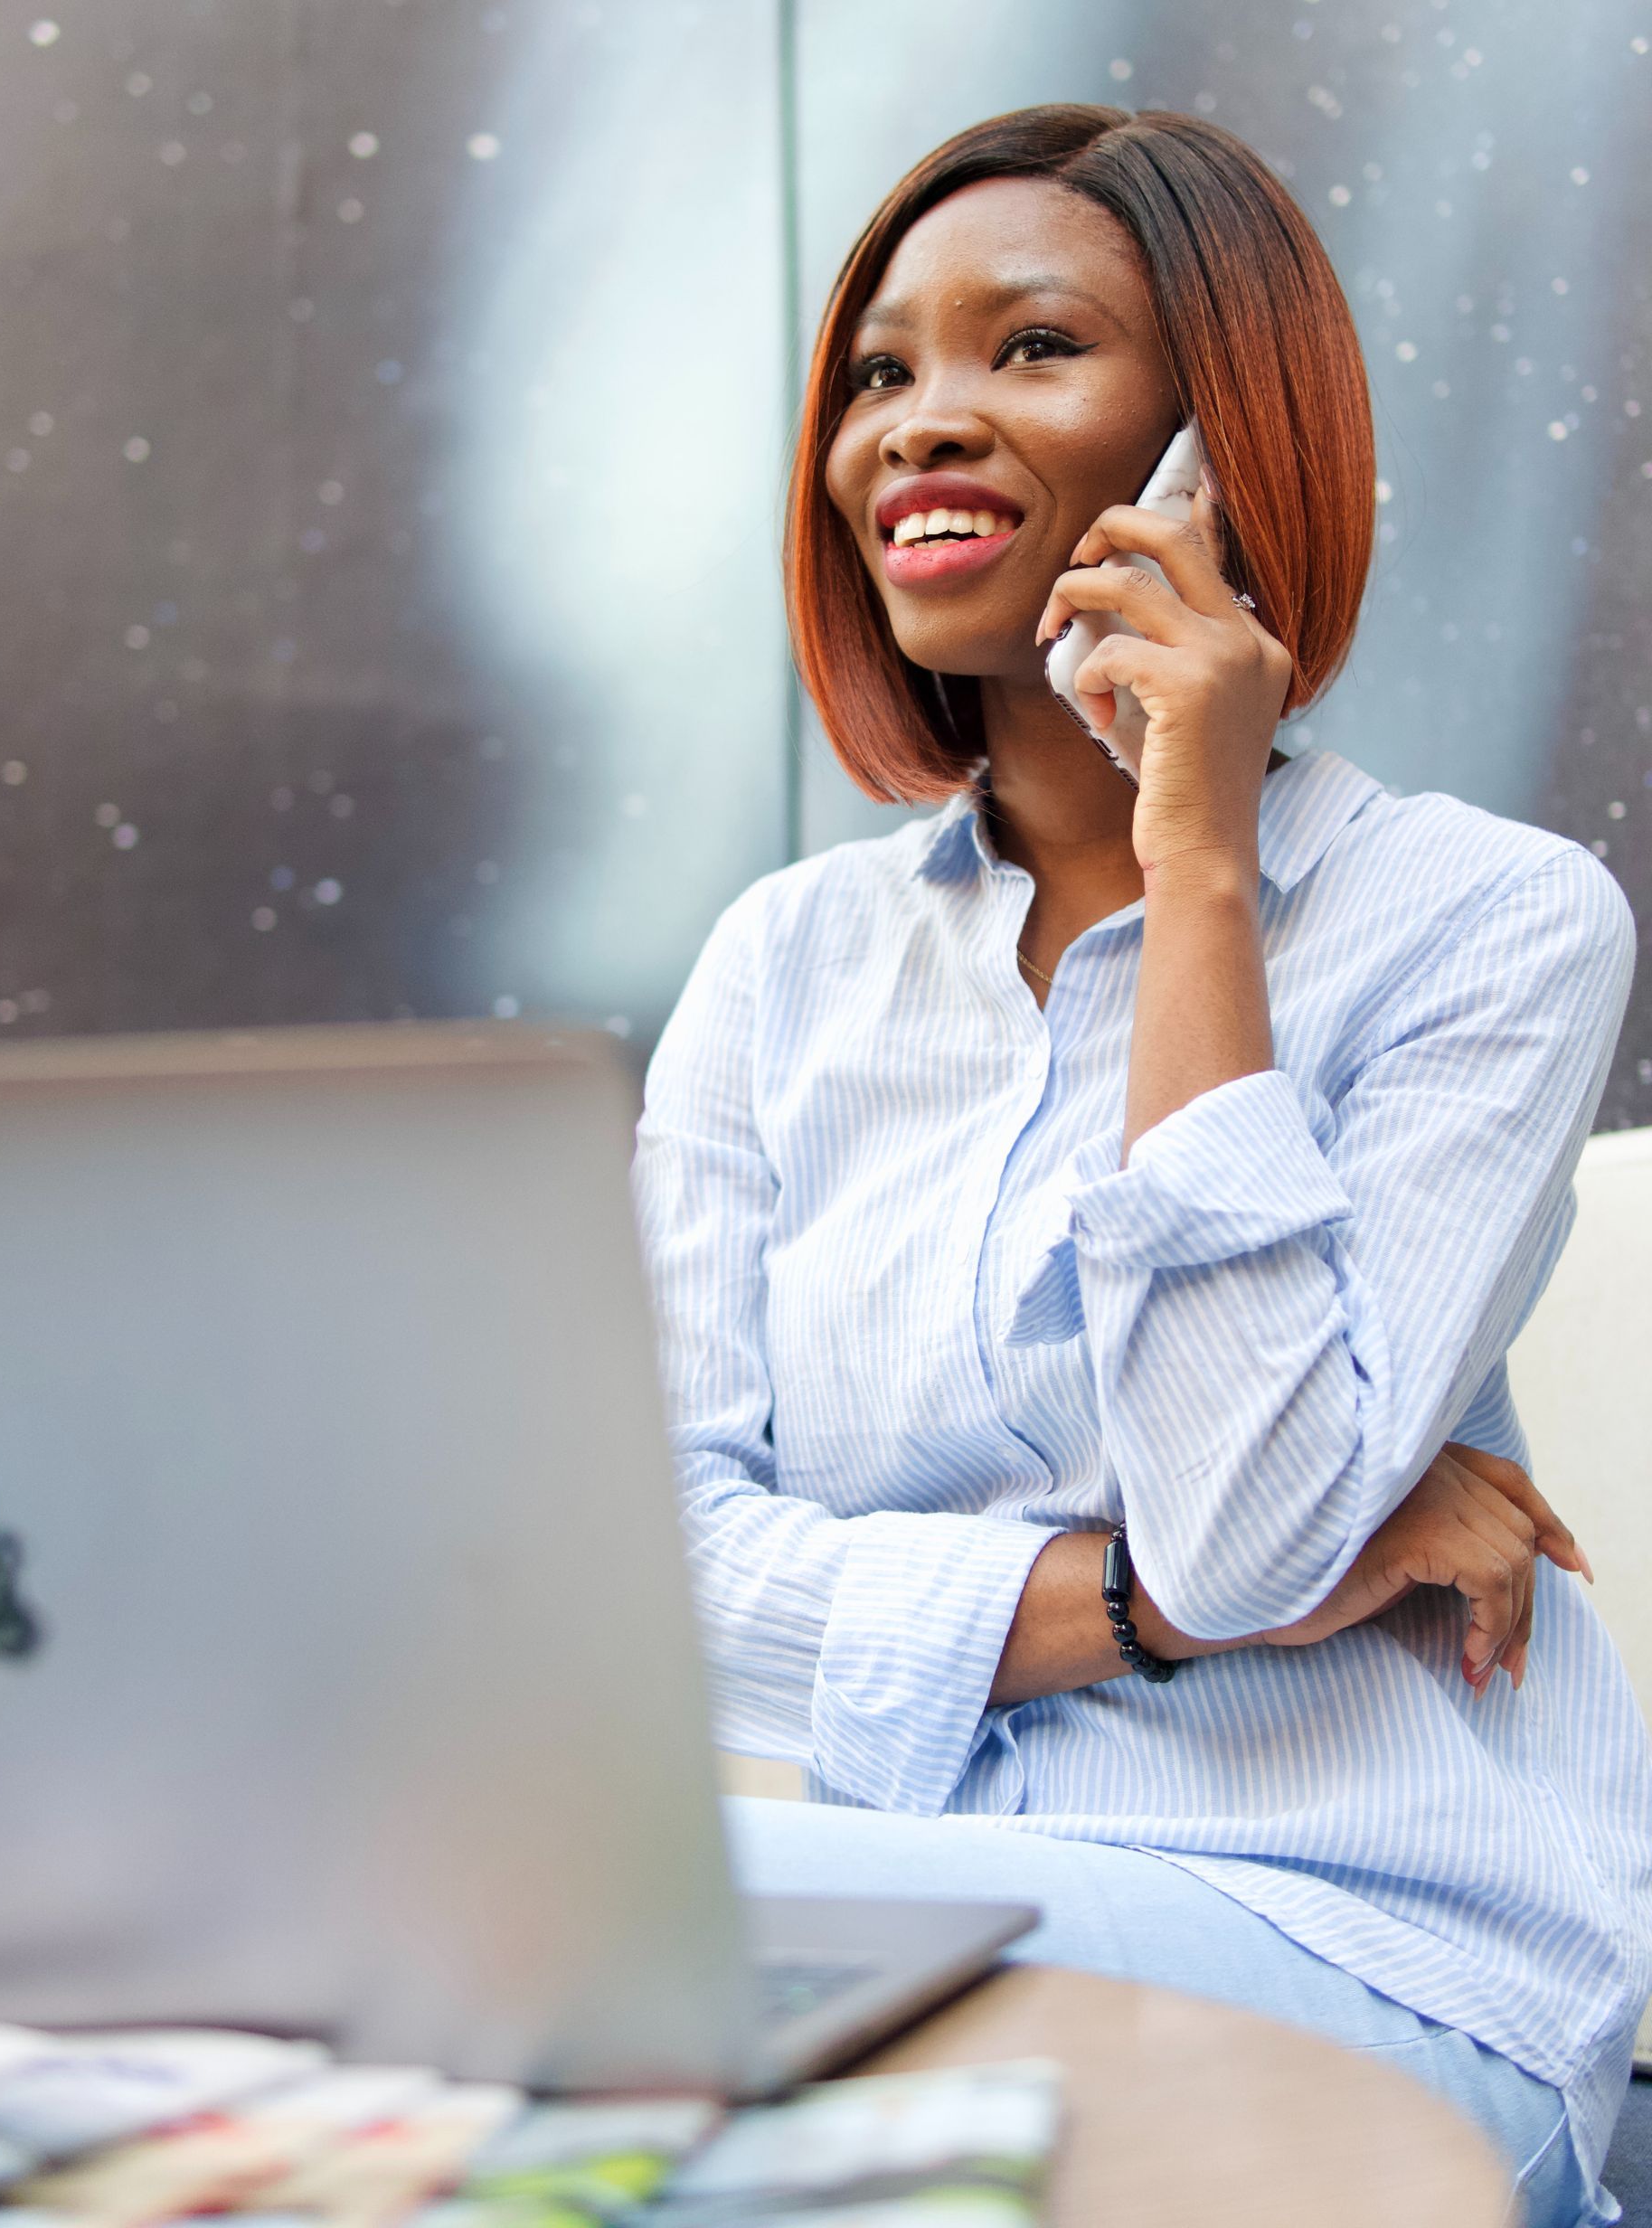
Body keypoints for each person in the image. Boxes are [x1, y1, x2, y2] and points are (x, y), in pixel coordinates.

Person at [629, 105, 1652, 2226]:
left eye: (1032, 349)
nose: (923, 422)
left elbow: (1260, 1516)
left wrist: (1198, 869)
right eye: (884, 374)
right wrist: (1129, 1604)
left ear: (1220, 445)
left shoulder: (1493, 921)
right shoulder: (783, 966)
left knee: (561, 1912)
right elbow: (662, 1575)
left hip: (1378, 1940)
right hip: (928, 1923)